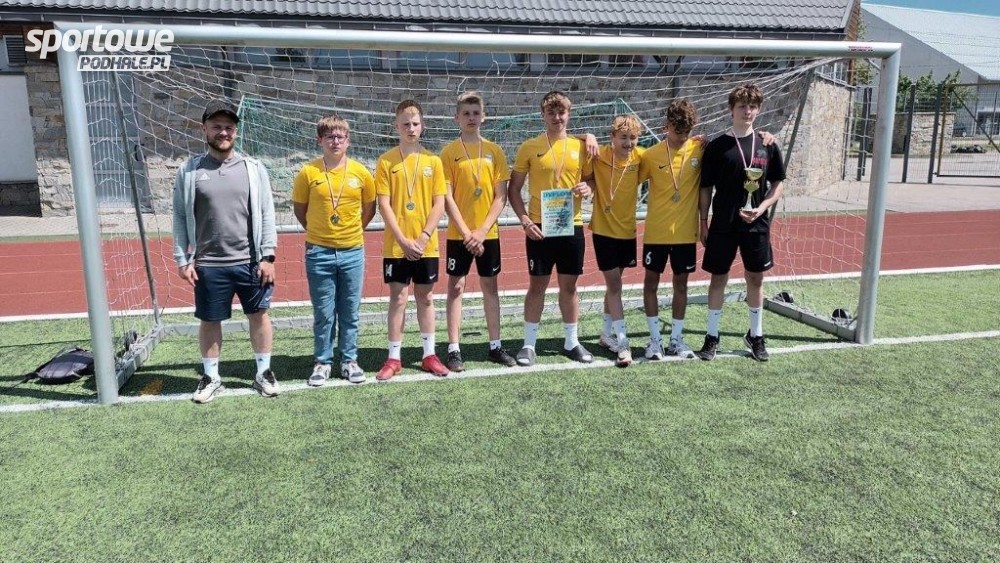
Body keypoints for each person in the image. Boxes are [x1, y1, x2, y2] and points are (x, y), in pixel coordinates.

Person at [172, 99, 279, 403]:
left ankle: (263, 372)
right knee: (210, 320)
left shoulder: (253, 169)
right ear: (204, 129)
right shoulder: (189, 171)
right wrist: (182, 259)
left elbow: (267, 212)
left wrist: (268, 256)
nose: (223, 132)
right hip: (208, 264)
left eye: (229, 127)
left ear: (236, 131)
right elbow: (179, 216)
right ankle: (211, 377)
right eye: (217, 126)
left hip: (251, 263)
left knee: (259, 315)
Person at [697, 84, 786, 362]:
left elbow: (778, 184)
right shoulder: (716, 146)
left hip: (756, 224)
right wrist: (703, 222)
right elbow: (705, 188)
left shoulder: (767, 144)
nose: (747, 111)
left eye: (752, 107)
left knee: (755, 278)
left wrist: (761, 208)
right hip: (723, 223)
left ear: (758, 110)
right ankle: (712, 336)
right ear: (731, 109)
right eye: (742, 106)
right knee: (718, 278)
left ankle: (756, 335)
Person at [508, 90, 595, 367]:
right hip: (539, 228)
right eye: (551, 113)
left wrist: (588, 187)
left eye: (562, 112)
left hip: (572, 226)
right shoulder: (529, 147)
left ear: (569, 114)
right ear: (542, 115)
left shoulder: (582, 146)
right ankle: (529, 344)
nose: (557, 117)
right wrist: (525, 221)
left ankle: (572, 342)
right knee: (537, 286)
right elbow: (514, 189)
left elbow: (591, 180)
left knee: (569, 286)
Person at [292, 115, 376, 386]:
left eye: (340, 136)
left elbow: (369, 208)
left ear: (348, 140)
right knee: (324, 313)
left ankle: (349, 360)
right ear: (320, 140)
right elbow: (300, 210)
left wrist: (352, 231)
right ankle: (322, 362)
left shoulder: (361, 173)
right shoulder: (308, 172)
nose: (335, 141)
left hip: (352, 251)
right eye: (329, 136)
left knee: (350, 311)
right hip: (319, 252)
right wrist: (318, 232)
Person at [440, 91, 517, 371]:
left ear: (483, 117)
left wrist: (482, 231)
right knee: (456, 287)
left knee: (490, 286)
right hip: (458, 234)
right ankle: (453, 348)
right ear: (456, 118)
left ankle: (495, 346)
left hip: (488, 235)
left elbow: (501, 196)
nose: (471, 118)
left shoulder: (494, 151)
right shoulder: (448, 153)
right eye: (466, 113)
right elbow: (446, 197)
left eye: (476, 113)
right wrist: (466, 233)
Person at [374, 100, 449, 380]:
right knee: (398, 298)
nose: (411, 128)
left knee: (426, 297)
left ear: (423, 126)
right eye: (405, 124)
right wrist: (403, 240)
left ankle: (429, 354)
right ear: (396, 126)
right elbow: (384, 204)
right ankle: (394, 358)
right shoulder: (386, 161)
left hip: (426, 244)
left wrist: (424, 236)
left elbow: (439, 203)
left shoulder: (433, 161)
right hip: (397, 245)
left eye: (415, 123)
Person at [585, 115, 645, 367]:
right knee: (615, 285)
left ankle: (605, 334)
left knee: (614, 286)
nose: (628, 143)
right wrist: (587, 135)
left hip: (627, 232)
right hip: (604, 231)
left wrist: (698, 141)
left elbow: (667, 152)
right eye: (623, 137)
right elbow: (569, 140)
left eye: (633, 138)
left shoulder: (641, 157)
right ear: (612, 137)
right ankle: (622, 342)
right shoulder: (599, 154)